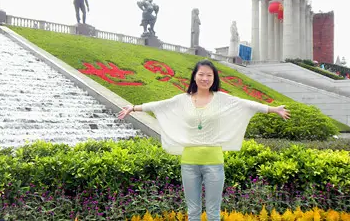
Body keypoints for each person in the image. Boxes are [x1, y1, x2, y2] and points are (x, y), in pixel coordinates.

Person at [118, 60, 290, 220]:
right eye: (201, 74)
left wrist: (273, 109)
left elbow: (246, 104)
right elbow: (160, 105)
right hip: (189, 163)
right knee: (193, 212)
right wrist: (133, 108)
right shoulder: (182, 100)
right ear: (194, 76)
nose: (205, 78)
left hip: (214, 163)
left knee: (213, 213)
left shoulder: (221, 99)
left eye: (209, 75)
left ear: (214, 78)